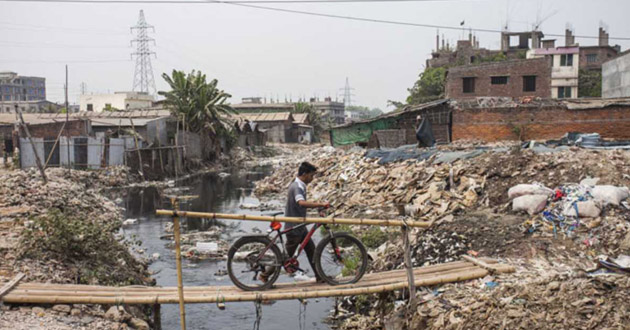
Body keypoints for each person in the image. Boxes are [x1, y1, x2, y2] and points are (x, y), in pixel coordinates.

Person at [262, 162, 329, 283]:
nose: (312, 178)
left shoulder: (298, 184)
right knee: (284, 257)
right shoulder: (297, 187)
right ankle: (265, 275)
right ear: (304, 174)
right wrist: (319, 204)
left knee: (311, 250)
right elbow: (301, 202)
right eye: (311, 175)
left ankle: (319, 276)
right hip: (294, 227)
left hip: (300, 226)